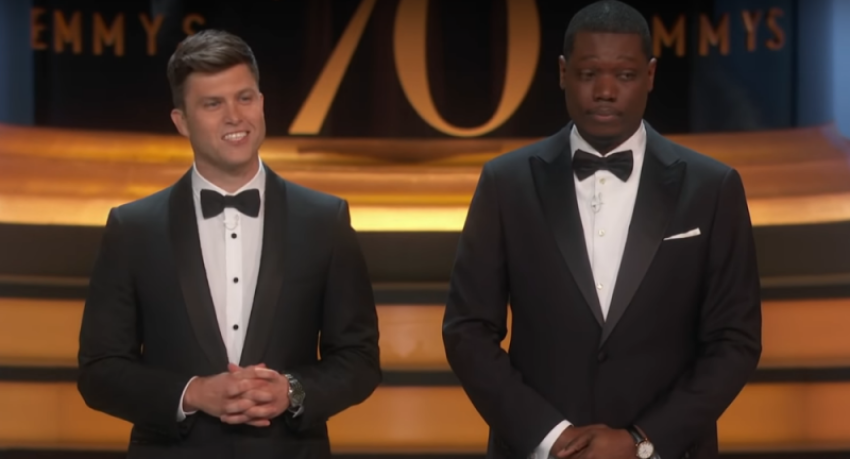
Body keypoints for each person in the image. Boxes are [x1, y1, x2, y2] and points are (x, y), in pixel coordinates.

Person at [441, 1, 762, 459]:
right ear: (563, 72)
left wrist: (642, 441)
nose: (606, 91)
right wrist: (551, 438)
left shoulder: (712, 187)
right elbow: (467, 330)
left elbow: (735, 341)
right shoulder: (505, 183)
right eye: (589, 74)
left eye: (625, 75)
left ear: (650, 75)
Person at [77, 29, 381, 459]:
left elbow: (359, 358)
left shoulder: (324, 220)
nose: (235, 116)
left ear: (262, 103)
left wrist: (292, 392)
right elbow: (99, 371)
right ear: (182, 121)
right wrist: (192, 393)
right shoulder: (134, 228)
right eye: (213, 104)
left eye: (244, 98)